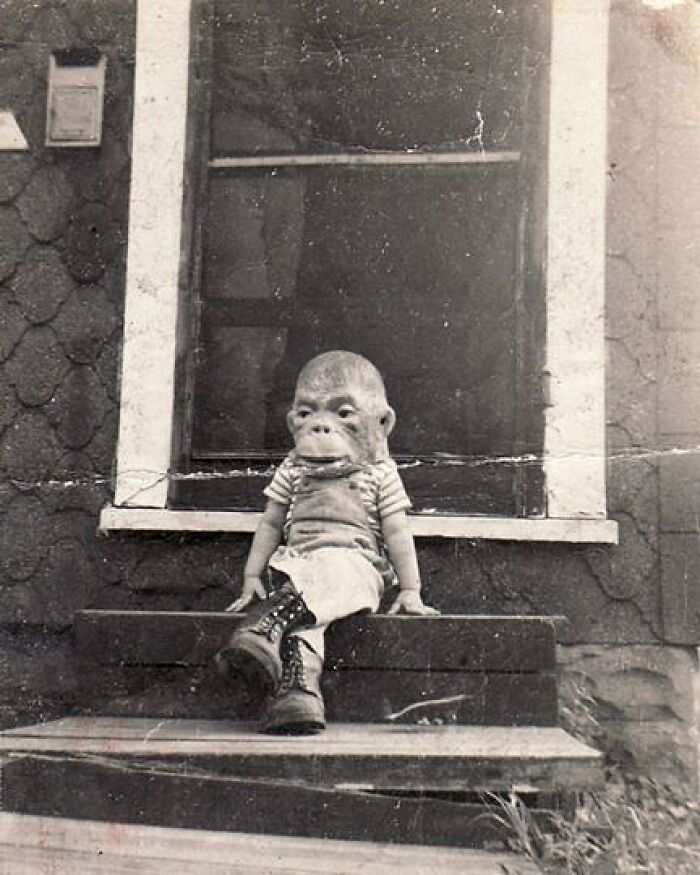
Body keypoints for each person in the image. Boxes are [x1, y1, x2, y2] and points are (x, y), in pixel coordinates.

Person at [215, 350, 438, 734]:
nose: (321, 427)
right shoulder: (294, 468)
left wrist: (411, 588)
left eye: (343, 413)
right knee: (310, 618)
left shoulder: (379, 473)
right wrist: (252, 574)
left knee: (337, 572)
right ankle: (299, 692)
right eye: (307, 413)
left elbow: (397, 531)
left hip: (357, 565)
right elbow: (271, 522)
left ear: (382, 424)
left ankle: (267, 623)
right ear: (291, 422)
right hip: (299, 561)